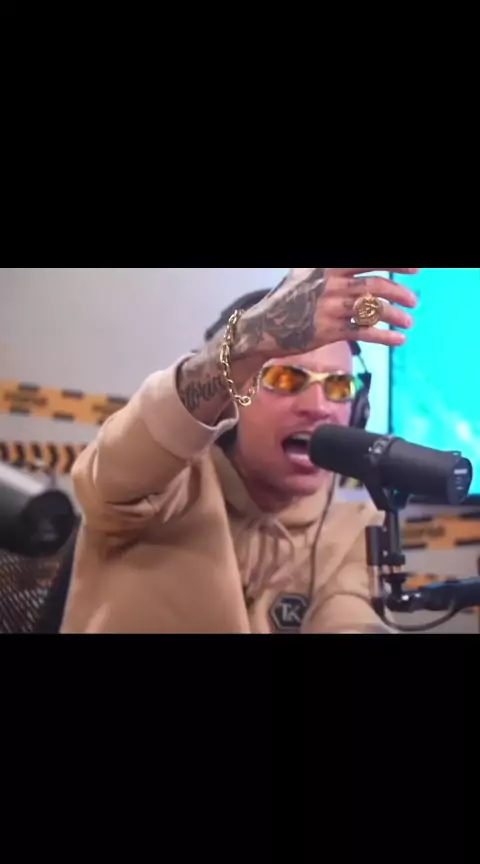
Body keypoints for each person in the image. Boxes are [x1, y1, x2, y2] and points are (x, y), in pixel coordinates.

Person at [62, 267, 419, 634]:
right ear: (229, 401)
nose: (319, 407)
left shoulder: (354, 526)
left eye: (339, 385)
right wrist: (246, 344)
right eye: (286, 379)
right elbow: (119, 465)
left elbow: (349, 620)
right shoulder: (159, 488)